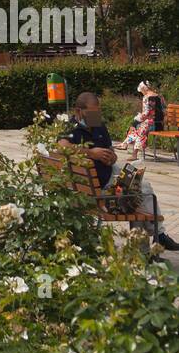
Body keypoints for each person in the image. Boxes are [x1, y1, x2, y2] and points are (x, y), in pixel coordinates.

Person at [58, 90, 179, 250]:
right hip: (94, 190)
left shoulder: (99, 125)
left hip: (108, 176)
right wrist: (91, 153)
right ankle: (154, 239)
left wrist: (112, 157)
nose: (95, 116)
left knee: (141, 186)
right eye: (91, 112)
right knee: (137, 193)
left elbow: (110, 150)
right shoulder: (70, 127)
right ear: (78, 111)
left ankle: (155, 239)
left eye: (97, 112)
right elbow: (62, 147)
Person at [119, 81, 165, 161]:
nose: (141, 93)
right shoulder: (159, 96)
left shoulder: (146, 97)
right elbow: (164, 110)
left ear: (144, 88)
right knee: (136, 127)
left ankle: (132, 151)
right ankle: (126, 144)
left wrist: (138, 118)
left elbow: (145, 114)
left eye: (141, 91)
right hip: (159, 124)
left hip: (152, 124)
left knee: (137, 129)